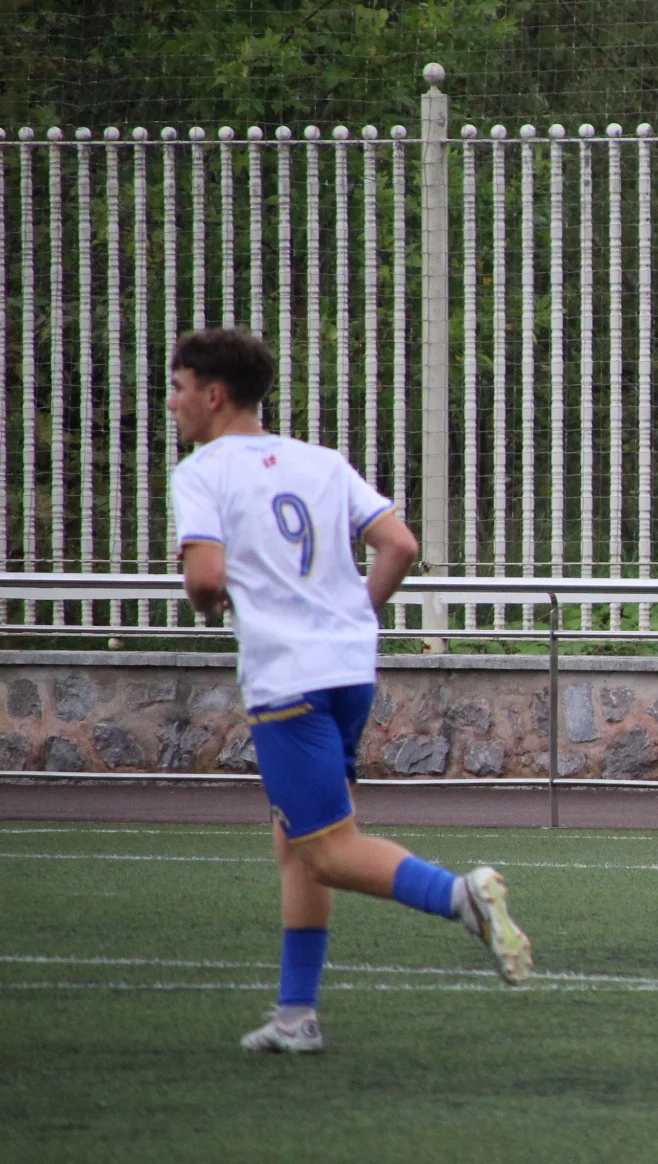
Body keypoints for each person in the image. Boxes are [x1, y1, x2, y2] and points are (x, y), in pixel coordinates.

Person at [167, 328, 532, 1054]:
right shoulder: (322, 461)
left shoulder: (203, 471)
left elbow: (204, 580)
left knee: (330, 850)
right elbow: (400, 544)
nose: (172, 403)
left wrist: (215, 601)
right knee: (297, 844)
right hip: (349, 669)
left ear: (214, 393)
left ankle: (460, 896)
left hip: (288, 678)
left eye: (178, 388)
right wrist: (352, 615)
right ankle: (296, 1016)